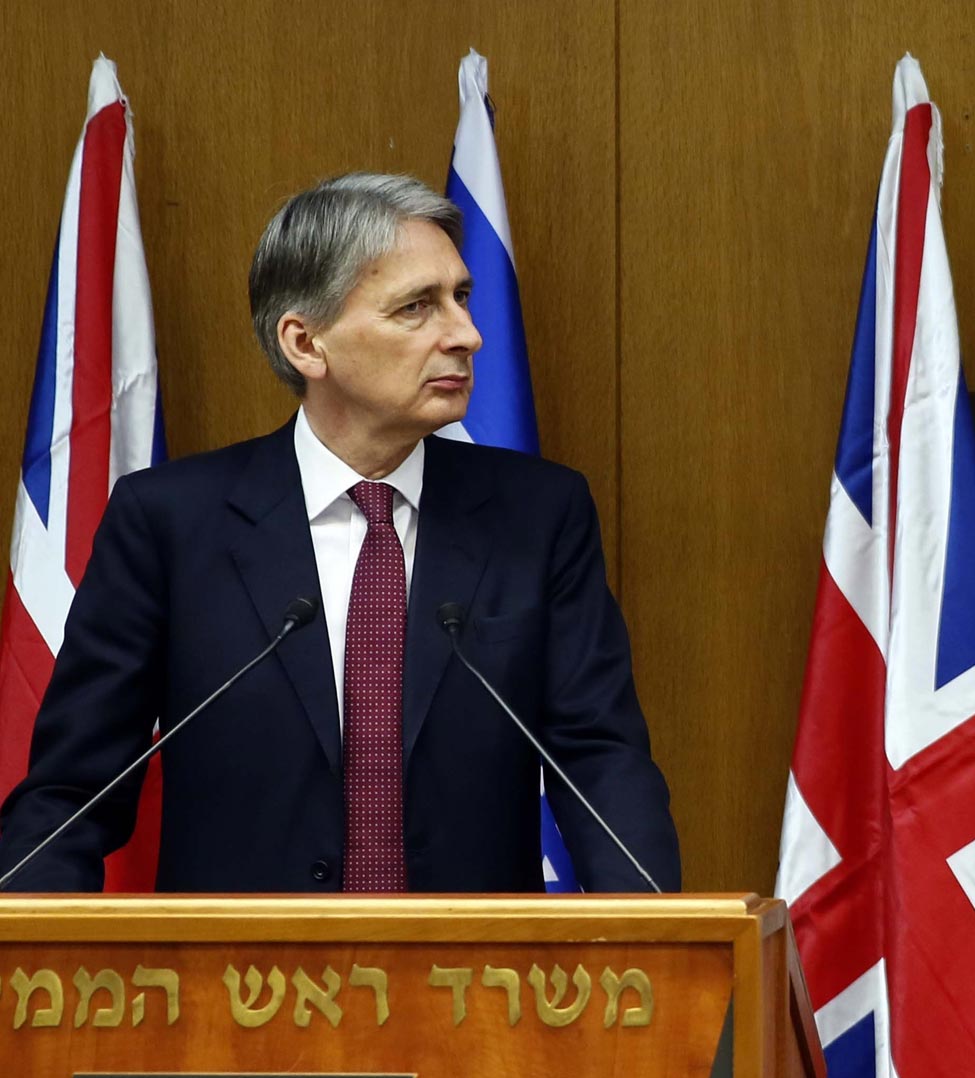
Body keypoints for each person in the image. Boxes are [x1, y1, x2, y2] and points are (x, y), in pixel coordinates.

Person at [0, 173, 679, 892]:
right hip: (236, 991)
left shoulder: (540, 516)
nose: (467, 335)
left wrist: (664, 956)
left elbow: (601, 761)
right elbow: (73, 794)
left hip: (476, 988)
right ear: (306, 344)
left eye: (461, 298)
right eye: (416, 308)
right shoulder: (169, 523)